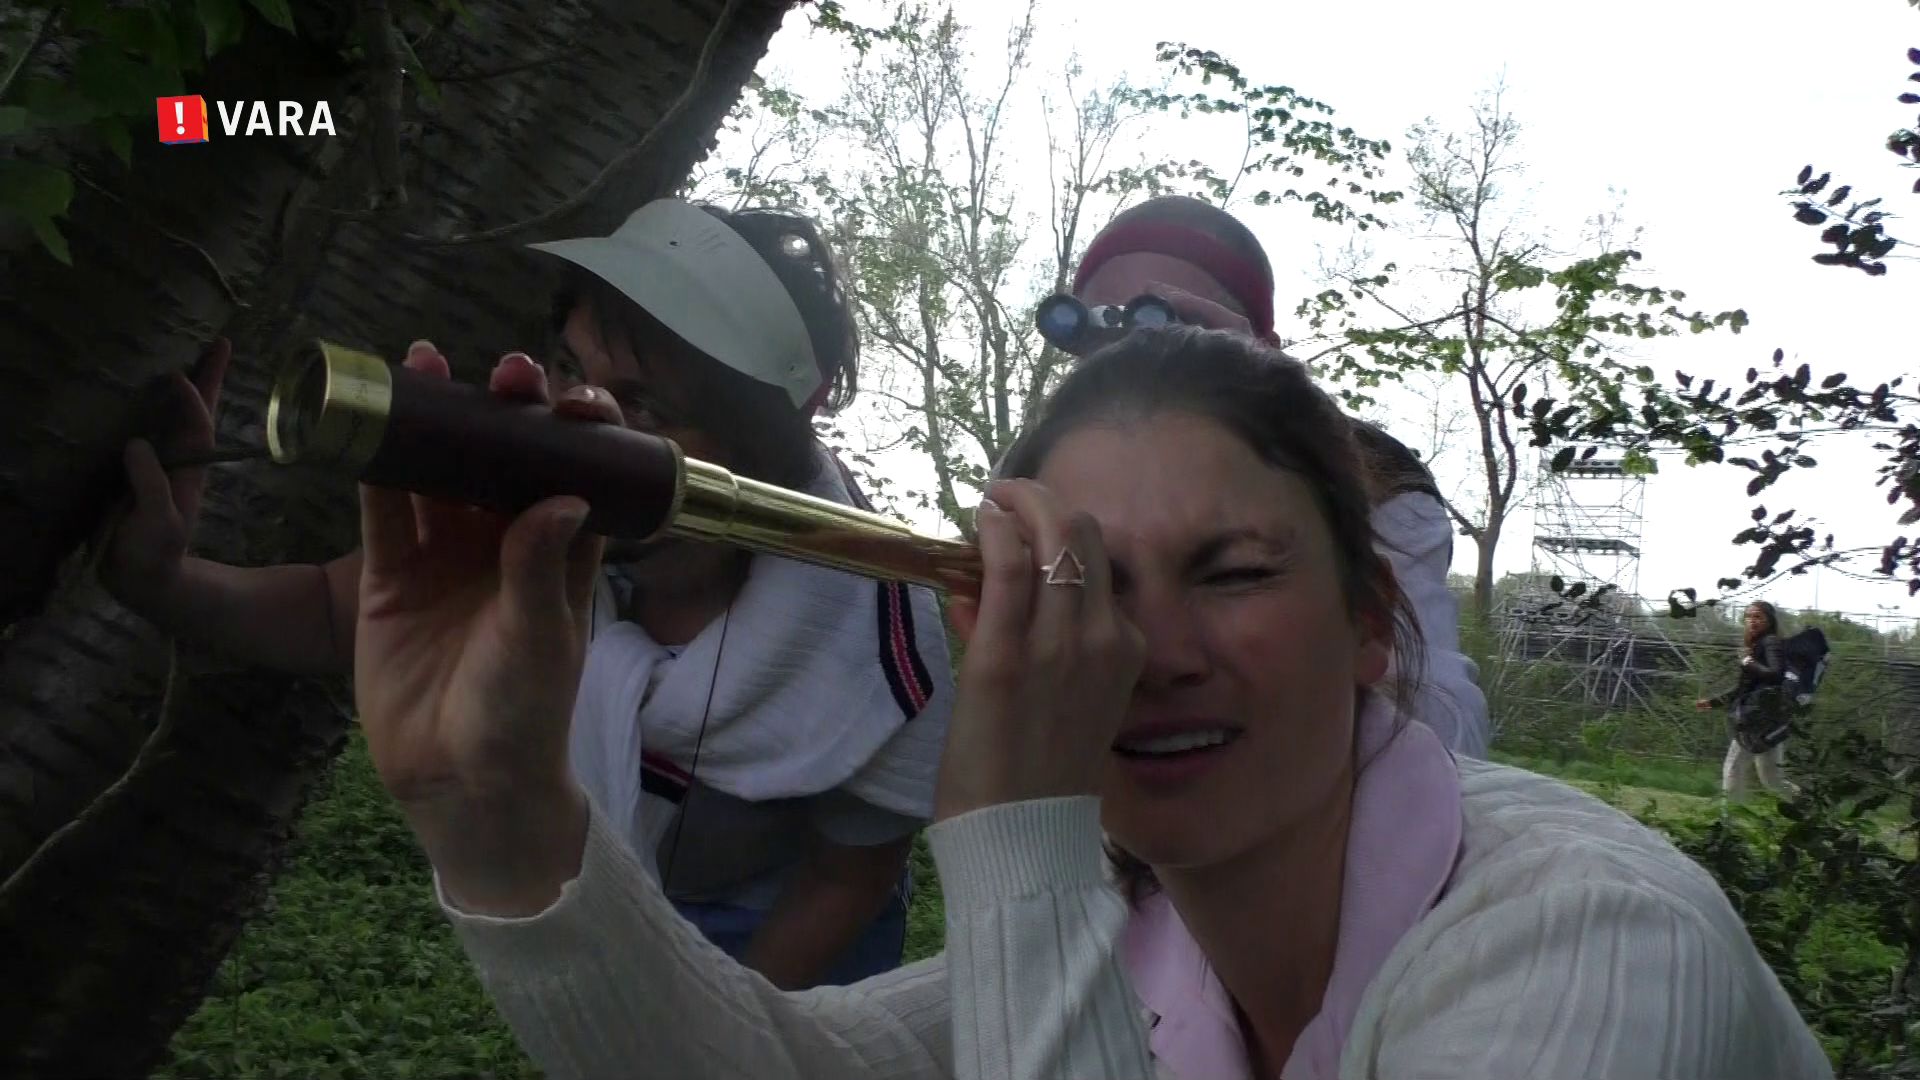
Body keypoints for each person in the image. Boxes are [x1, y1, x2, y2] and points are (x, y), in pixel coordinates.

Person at [352, 325, 1831, 1078]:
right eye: (1083, 585)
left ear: (1372, 626)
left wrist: (1018, 825)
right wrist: (500, 814)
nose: (1145, 649)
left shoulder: (1591, 941)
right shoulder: (1140, 921)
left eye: (1231, 572)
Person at [98, 198, 952, 989]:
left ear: (759, 444)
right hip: (608, 918)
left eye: (646, 405)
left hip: (791, 945)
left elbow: (846, 878)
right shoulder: (528, 511)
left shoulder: (871, 638)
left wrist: (713, 1039)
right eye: (568, 365)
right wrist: (165, 581)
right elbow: (334, 610)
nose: (583, 412)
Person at [1065, 194, 1491, 758]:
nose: (1136, 372)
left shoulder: (1381, 485)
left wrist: (1277, 431)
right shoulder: (1054, 479)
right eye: (1099, 342)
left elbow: (1449, 732)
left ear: (1263, 351)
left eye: (1176, 332)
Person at [1698, 600, 1800, 800]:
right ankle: (1808, 804)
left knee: (1733, 768)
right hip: (1767, 719)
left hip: (1759, 719)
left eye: (1758, 617)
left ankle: (1730, 815)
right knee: (1772, 779)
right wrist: (1712, 702)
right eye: (1749, 617)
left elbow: (1776, 674)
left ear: (1769, 620)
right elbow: (1743, 689)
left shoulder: (1770, 642)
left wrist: (1748, 662)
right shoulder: (1757, 646)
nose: (1752, 621)